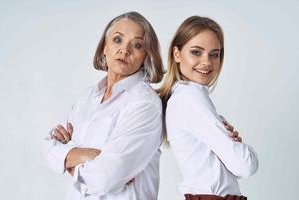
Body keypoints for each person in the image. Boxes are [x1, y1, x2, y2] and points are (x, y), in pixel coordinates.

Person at [42, 11, 164, 200]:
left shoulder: (145, 104)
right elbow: (48, 146)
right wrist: (89, 155)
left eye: (137, 45)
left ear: (146, 56)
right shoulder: (87, 97)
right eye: (117, 40)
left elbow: (105, 177)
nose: (124, 50)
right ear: (104, 47)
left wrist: (66, 160)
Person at [159, 16, 258, 200]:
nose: (207, 62)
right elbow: (245, 166)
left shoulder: (183, 97)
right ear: (177, 54)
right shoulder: (190, 97)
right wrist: (240, 147)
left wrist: (229, 146)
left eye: (214, 54)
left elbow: (230, 170)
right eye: (196, 52)